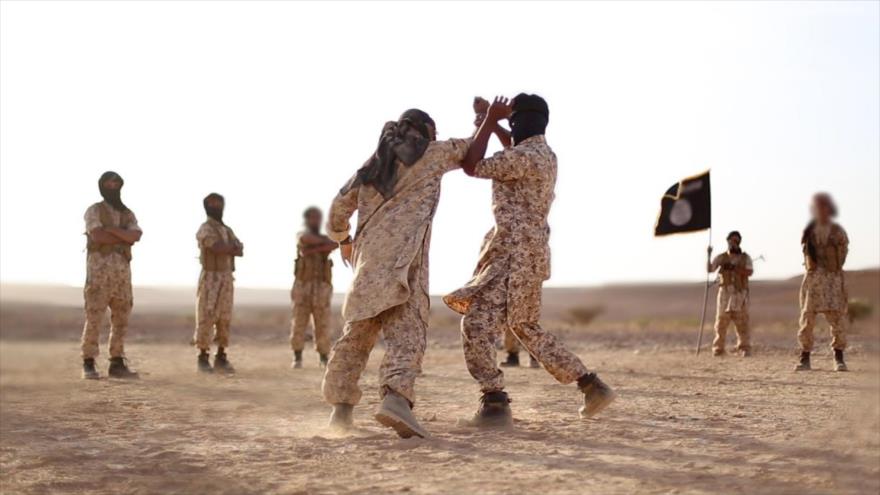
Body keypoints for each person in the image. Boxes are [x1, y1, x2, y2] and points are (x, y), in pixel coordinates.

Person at [444, 95, 616, 426]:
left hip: (511, 255)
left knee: (477, 324)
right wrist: (493, 122)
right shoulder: (544, 154)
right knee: (525, 327)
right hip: (531, 255)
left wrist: (486, 122)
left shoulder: (523, 157)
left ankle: (494, 400)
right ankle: (590, 385)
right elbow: (513, 149)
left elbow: (472, 165)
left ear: (518, 123)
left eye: (512, 121)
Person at [321, 107, 481, 438]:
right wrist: (485, 120)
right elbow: (471, 148)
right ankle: (395, 400)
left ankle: (341, 412)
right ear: (424, 132)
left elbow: (337, 210)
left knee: (356, 336)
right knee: (408, 333)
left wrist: (344, 241)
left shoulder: (370, 168)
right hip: (404, 267)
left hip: (367, 267)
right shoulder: (432, 154)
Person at [81, 171, 142, 379]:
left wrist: (112, 230)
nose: (113, 185)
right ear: (102, 185)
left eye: (116, 182)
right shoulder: (94, 210)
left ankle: (116, 361)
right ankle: (88, 362)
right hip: (99, 272)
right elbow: (97, 235)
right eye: (109, 182)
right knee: (94, 316)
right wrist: (120, 234)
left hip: (122, 274)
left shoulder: (127, 213)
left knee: (121, 318)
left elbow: (135, 236)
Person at [795, 193, 850, 372]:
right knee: (807, 319)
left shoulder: (837, 231)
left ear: (829, 209)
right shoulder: (808, 231)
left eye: (824, 207)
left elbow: (843, 254)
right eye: (818, 207)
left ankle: (838, 357)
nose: (821, 210)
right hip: (813, 281)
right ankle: (805, 358)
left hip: (832, 280)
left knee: (837, 319)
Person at [193, 193, 243, 374]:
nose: (216, 206)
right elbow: (216, 247)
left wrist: (229, 249)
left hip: (226, 277)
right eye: (212, 203)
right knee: (207, 315)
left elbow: (240, 248)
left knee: (224, 317)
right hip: (211, 278)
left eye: (219, 202)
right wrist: (230, 249)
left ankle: (221, 355)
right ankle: (203, 356)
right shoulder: (205, 228)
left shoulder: (227, 229)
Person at [290, 206, 337, 368]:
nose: (315, 221)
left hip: (322, 288)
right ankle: (297, 356)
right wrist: (322, 246)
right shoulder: (301, 234)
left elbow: (335, 244)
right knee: (299, 322)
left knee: (322, 323)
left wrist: (314, 249)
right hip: (303, 287)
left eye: (318, 218)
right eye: (312, 218)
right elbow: (305, 241)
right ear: (307, 219)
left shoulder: (324, 236)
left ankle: (324, 357)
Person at [707, 231, 754, 357]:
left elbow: (749, 272)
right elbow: (710, 269)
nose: (733, 243)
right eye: (731, 240)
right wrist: (708, 255)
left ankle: (744, 347)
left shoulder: (745, 258)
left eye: (736, 240)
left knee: (742, 321)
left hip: (740, 293)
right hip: (725, 293)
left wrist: (736, 269)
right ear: (727, 241)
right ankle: (719, 348)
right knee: (721, 321)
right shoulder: (721, 257)